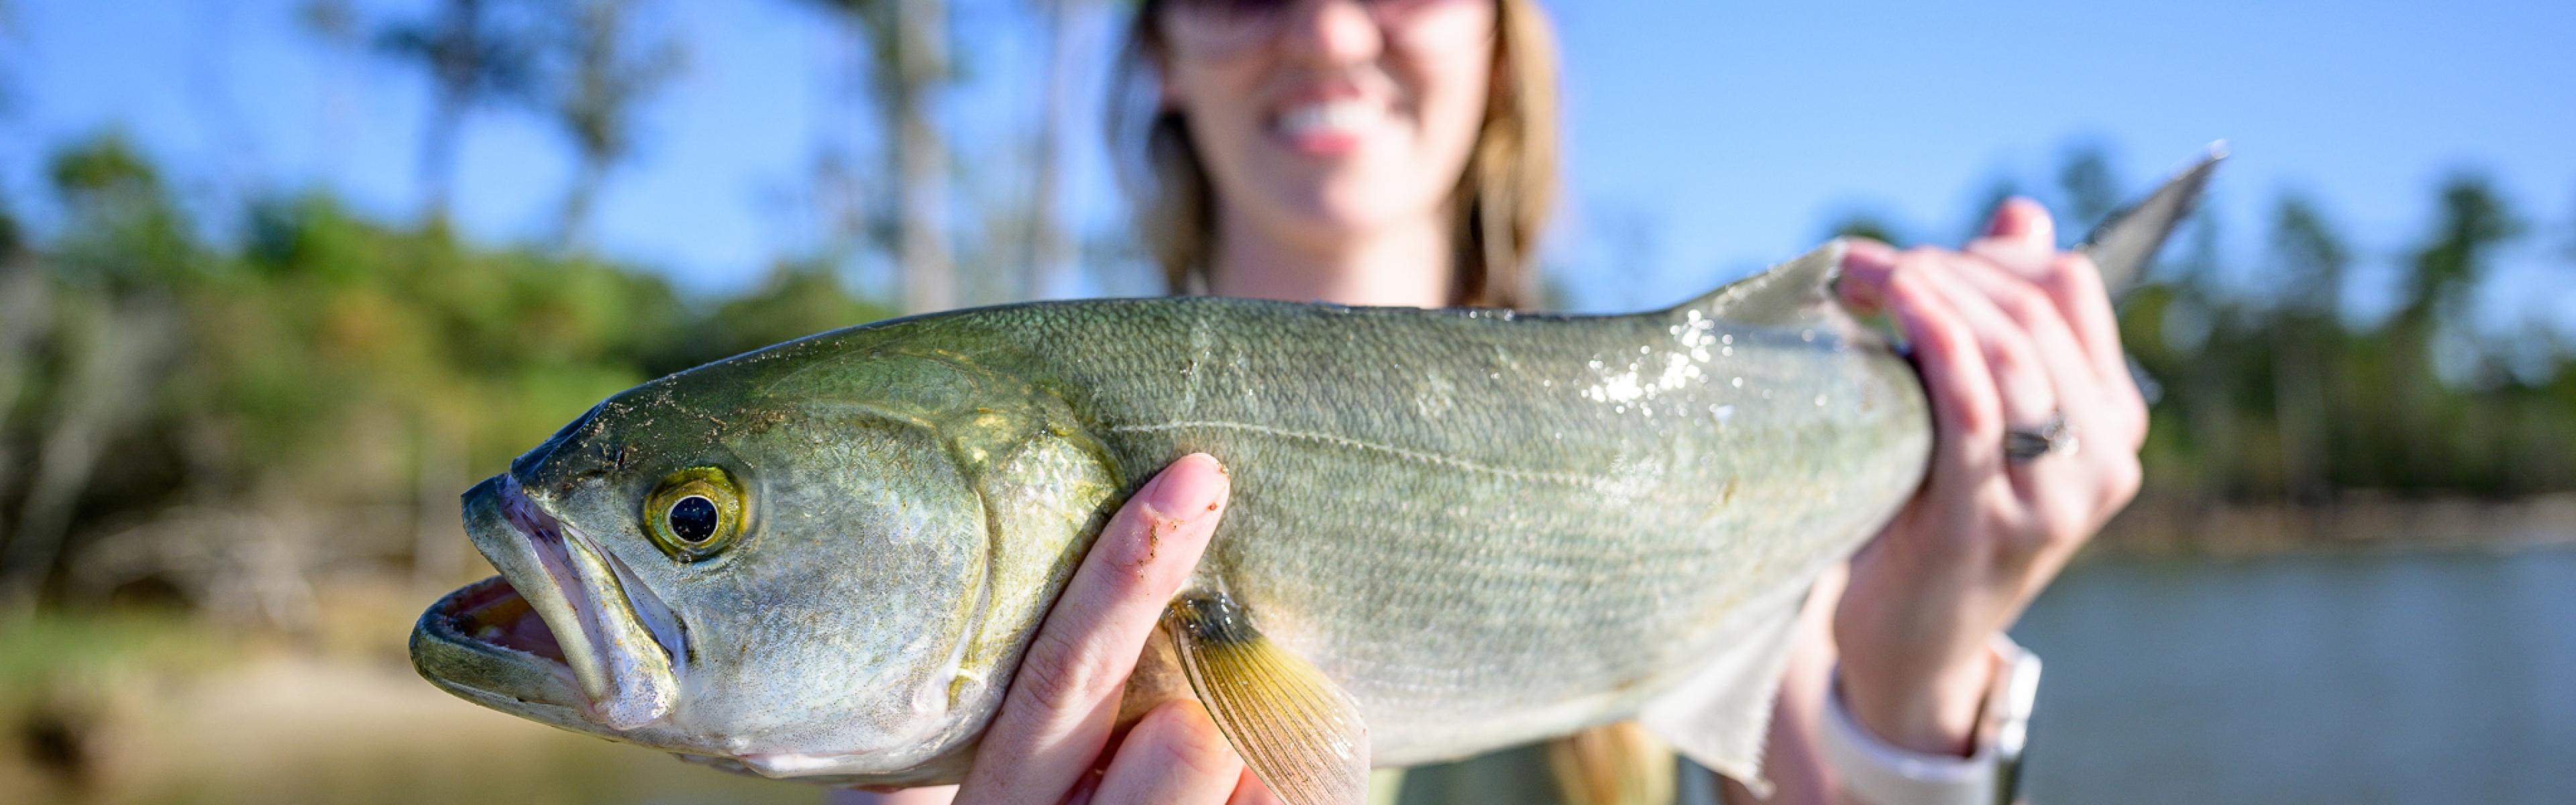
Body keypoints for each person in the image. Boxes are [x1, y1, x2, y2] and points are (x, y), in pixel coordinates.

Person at [847, 0, 2144, 802]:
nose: (1328, 27)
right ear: (1163, 49)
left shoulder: (1695, 436)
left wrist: (1923, 660)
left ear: (1497, 31)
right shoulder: (910, 685)